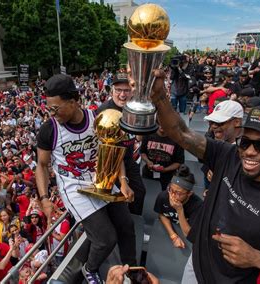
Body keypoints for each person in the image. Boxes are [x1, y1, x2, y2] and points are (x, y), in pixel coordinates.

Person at [150, 69, 260, 283]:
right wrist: (159, 97)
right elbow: (180, 132)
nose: (250, 151)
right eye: (245, 142)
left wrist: (258, 258)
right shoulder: (227, 156)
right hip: (195, 268)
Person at [36, 74, 136, 284]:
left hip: (101, 178)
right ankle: (89, 269)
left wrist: (124, 181)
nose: (51, 113)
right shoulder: (49, 129)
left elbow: (112, 149)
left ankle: (131, 272)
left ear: (73, 102)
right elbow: (42, 166)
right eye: (49, 108)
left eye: (55, 108)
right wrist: (44, 198)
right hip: (73, 186)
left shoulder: (96, 119)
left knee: (126, 225)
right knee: (105, 239)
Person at [97, 69, 147, 215]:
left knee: (139, 193)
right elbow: (111, 151)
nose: (122, 94)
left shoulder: (132, 108)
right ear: (111, 90)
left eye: (126, 90)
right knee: (118, 199)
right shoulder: (105, 112)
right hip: (110, 164)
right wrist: (124, 181)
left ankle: (133, 223)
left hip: (128, 158)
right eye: (118, 90)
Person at [153, 165, 202, 248]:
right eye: (171, 190)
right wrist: (173, 236)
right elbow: (162, 214)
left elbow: (190, 234)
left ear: (189, 194)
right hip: (168, 235)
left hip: (188, 242)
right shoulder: (164, 196)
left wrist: (179, 210)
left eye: (178, 193)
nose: (172, 195)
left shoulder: (198, 205)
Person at [140, 123, 185, 191]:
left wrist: (165, 169)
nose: (162, 125)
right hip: (148, 174)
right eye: (160, 123)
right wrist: (148, 161)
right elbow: (142, 152)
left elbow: (179, 162)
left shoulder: (177, 139)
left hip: (167, 177)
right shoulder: (148, 135)